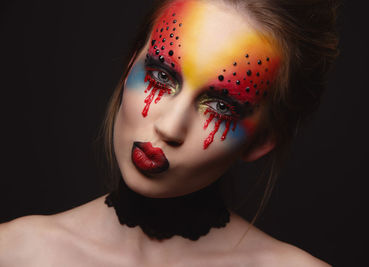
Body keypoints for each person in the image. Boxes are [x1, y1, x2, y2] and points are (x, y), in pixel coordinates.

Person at [0, 0, 339, 266]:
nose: (169, 127)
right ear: (129, 67)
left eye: (221, 107)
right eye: (162, 76)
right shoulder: (14, 253)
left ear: (262, 139)